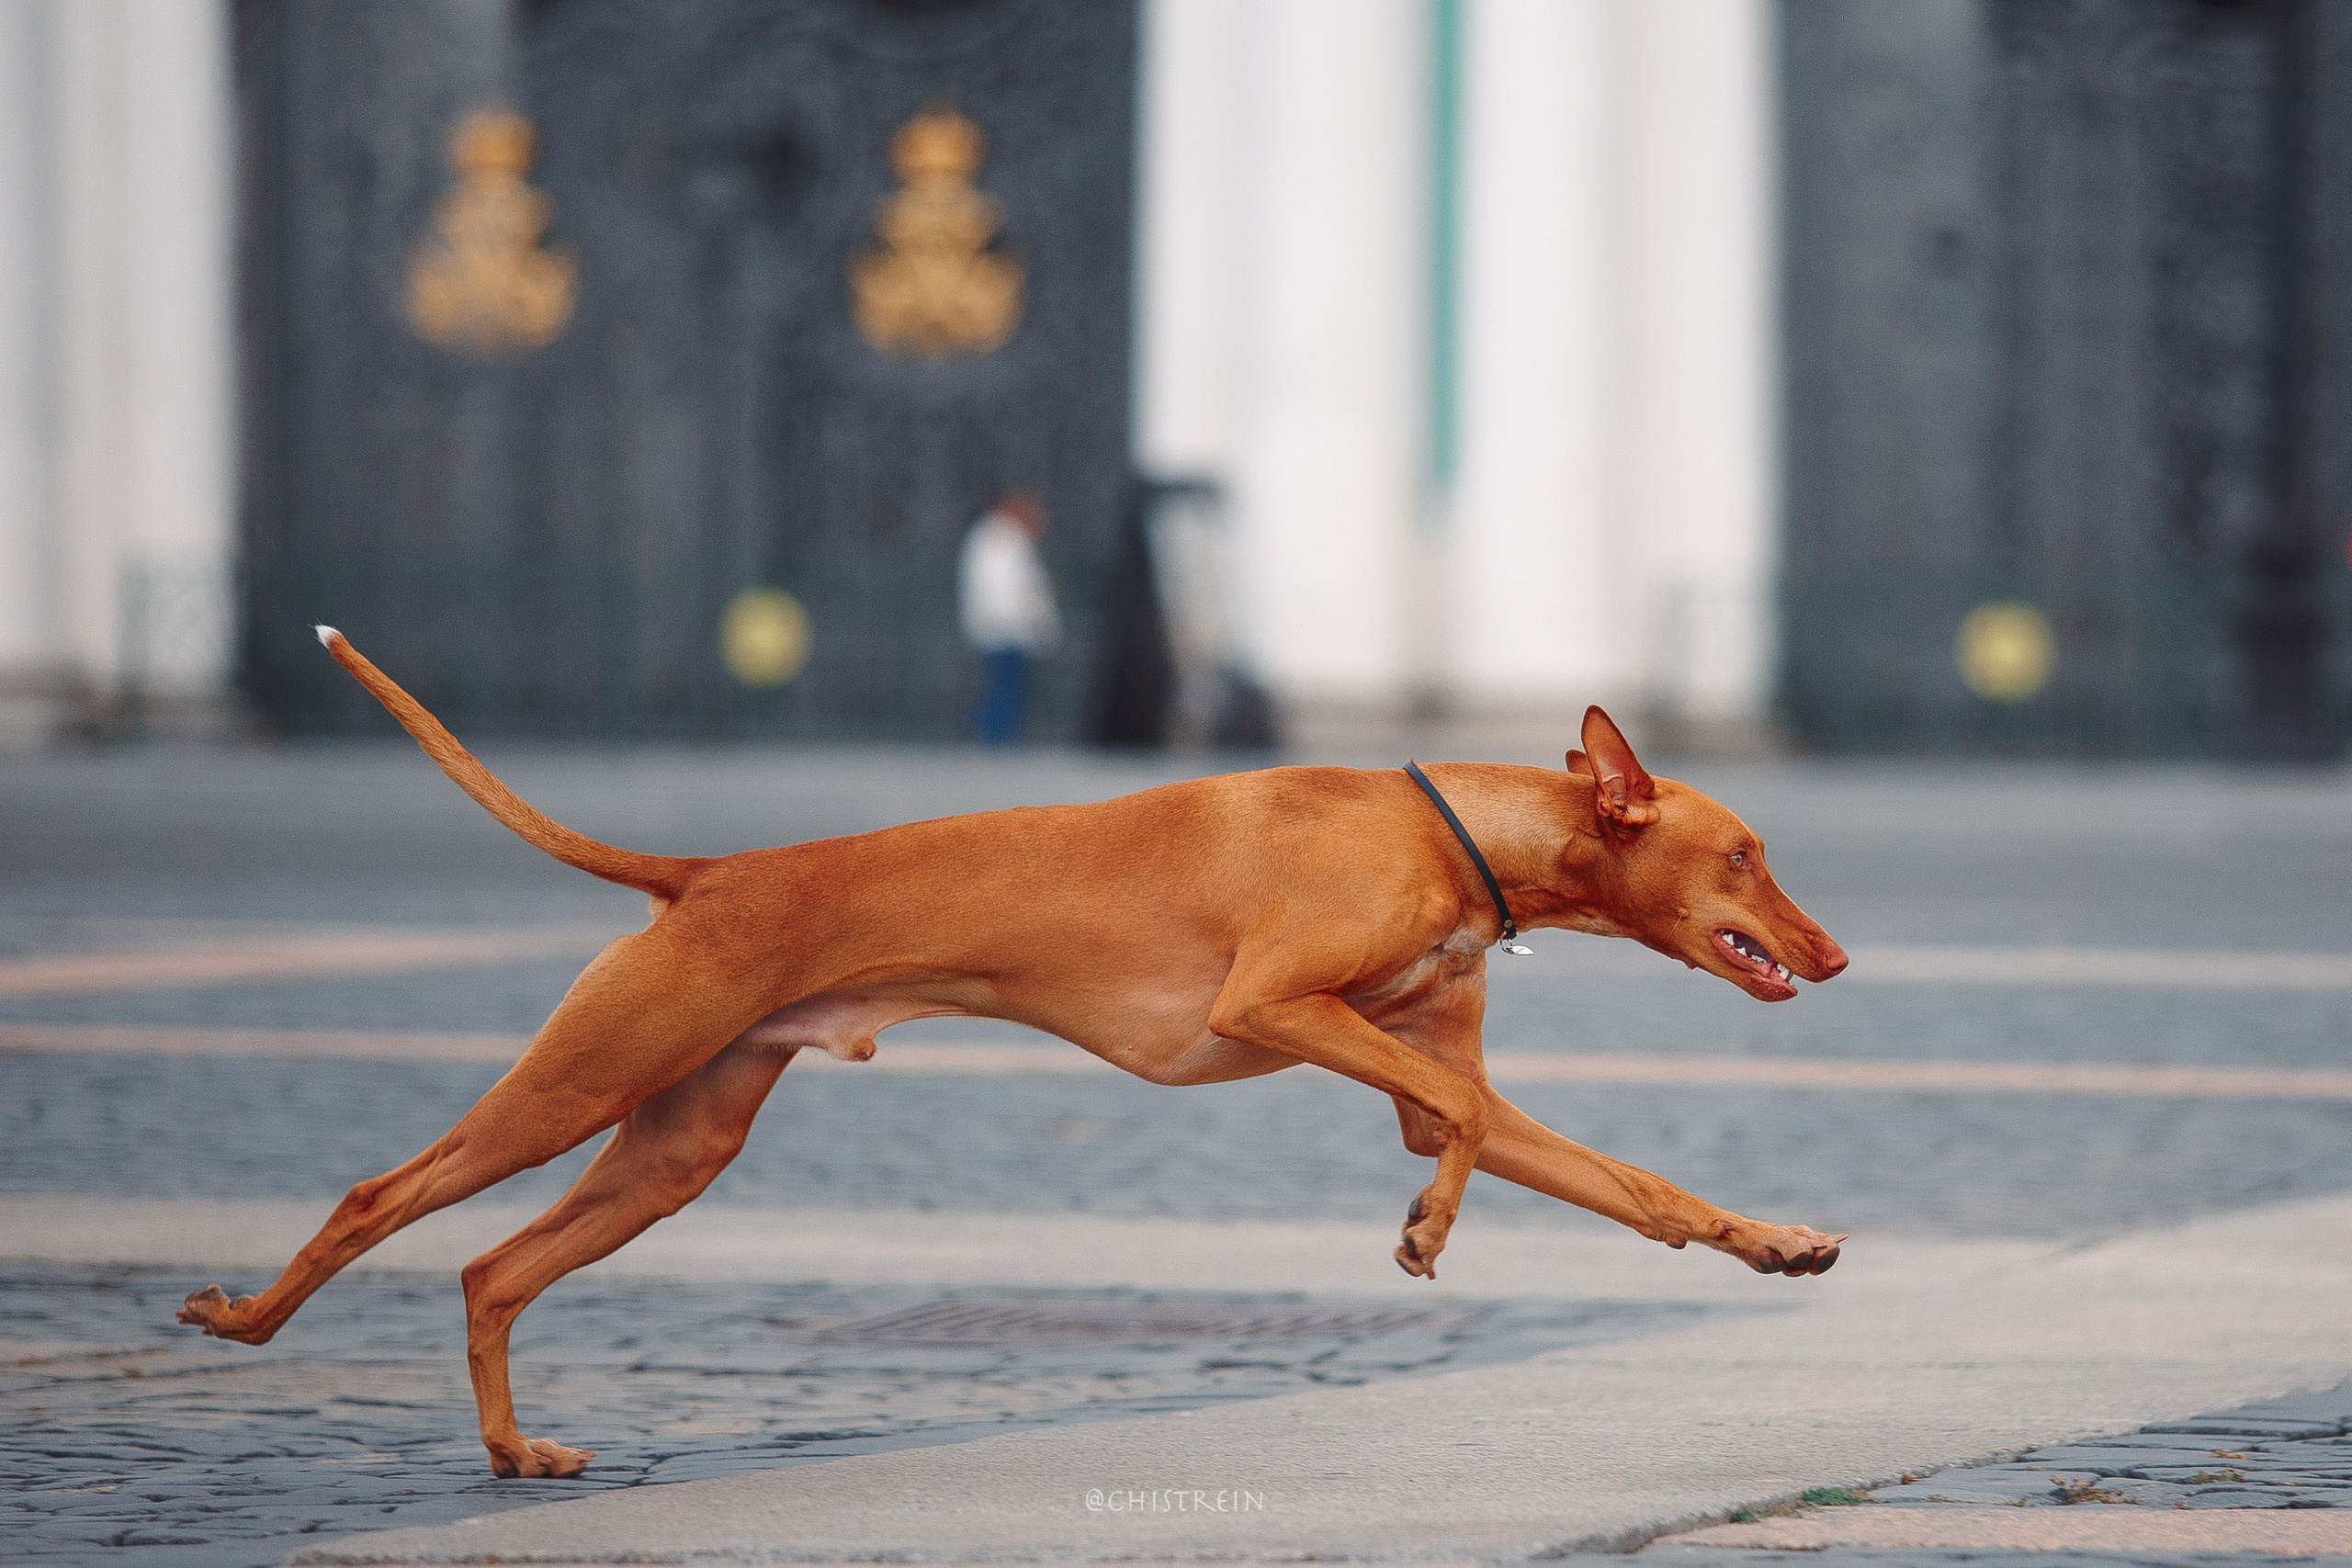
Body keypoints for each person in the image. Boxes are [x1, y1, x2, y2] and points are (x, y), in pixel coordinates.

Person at [958, 488, 1059, 744]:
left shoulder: (998, 538)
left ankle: (997, 735)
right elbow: (1009, 590)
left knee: (1007, 688)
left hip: (1007, 628)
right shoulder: (1000, 540)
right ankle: (995, 737)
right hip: (1004, 629)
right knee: (1003, 688)